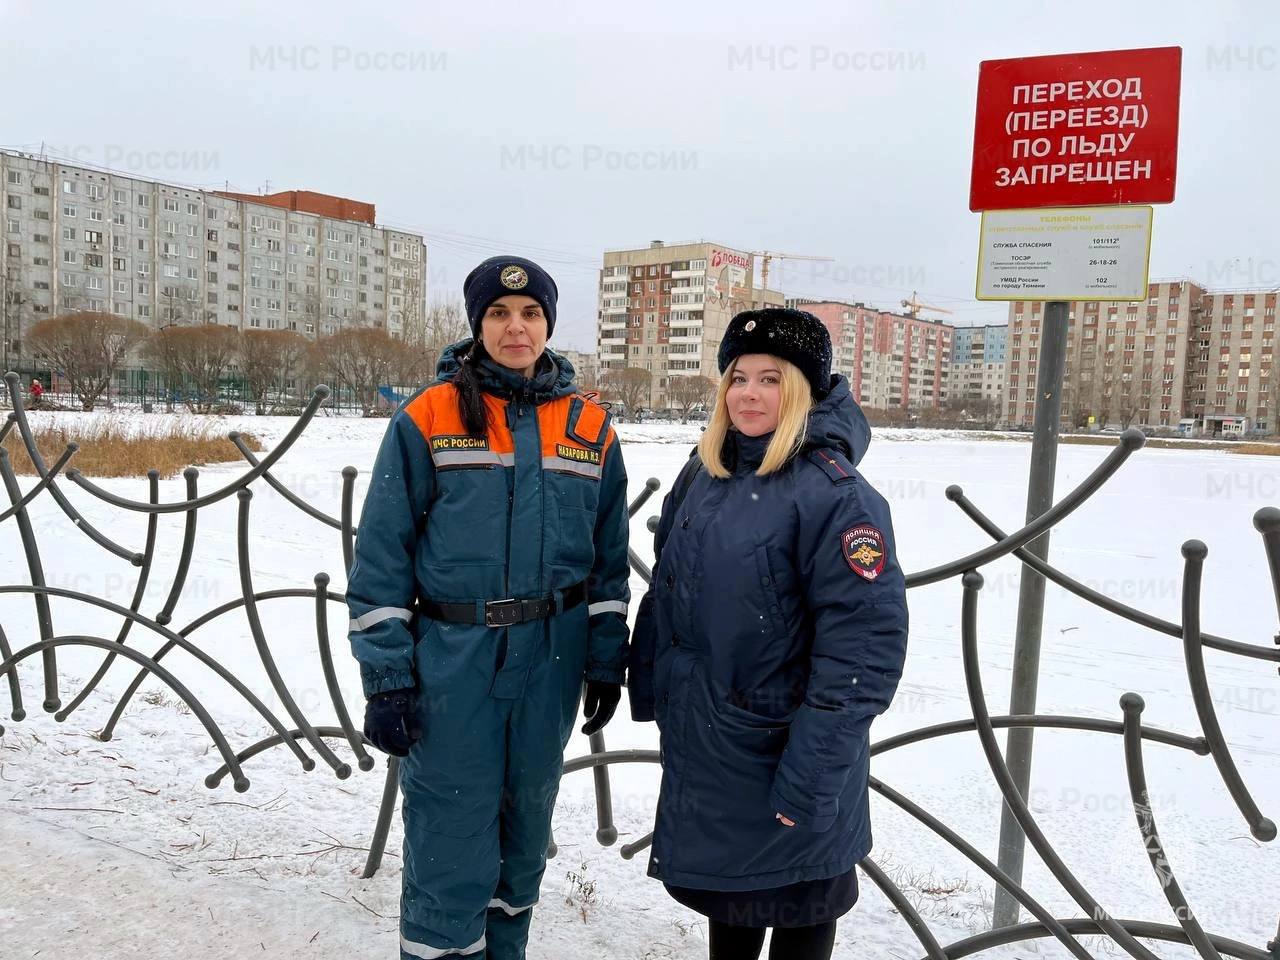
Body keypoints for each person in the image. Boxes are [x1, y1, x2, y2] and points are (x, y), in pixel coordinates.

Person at [346, 255, 632, 960]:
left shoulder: (591, 428)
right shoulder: (428, 416)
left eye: (530, 313)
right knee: (450, 843)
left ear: (548, 324)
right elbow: (382, 560)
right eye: (500, 314)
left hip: (551, 666)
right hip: (455, 666)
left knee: (523, 844)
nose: (515, 327)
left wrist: (604, 656)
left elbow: (607, 558)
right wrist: (388, 678)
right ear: (477, 323)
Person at [628, 308, 909, 960]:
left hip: (789, 760)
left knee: (798, 912)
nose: (749, 394)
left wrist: (810, 776)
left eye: (771, 379)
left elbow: (863, 651)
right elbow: (670, 591)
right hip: (718, 752)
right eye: (739, 377)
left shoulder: (836, 496)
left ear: (804, 391)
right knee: (731, 911)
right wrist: (641, 679)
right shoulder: (707, 474)